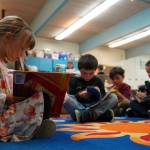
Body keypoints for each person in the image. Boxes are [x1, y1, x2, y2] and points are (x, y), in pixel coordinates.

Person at [0, 16, 55, 142]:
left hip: (4, 112)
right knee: (41, 98)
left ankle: (34, 126)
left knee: (43, 96)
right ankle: (32, 128)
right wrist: (7, 99)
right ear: (8, 38)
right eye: (22, 48)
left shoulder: (3, 65)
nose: (22, 54)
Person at [64, 54, 118, 123]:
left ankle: (84, 116)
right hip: (79, 106)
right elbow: (71, 97)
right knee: (64, 97)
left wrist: (98, 93)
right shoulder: (74, 79)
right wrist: (79, 95)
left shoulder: (98, 80)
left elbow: (103, 97)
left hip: (94, 106)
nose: (87, 76)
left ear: (95, 70)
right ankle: (97, 115)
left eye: (91, 73)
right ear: (79, 70)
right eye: (84, 73)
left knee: (113, 97)